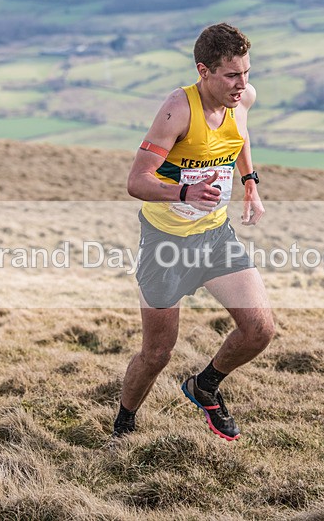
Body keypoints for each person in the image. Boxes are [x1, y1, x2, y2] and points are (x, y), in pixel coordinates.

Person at [114, 23, 275, 441]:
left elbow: (239, 136)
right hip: (166, 245)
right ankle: (124, 422)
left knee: (260, 330)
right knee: (157, 353)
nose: (242, 84)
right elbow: (137, 181)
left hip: (215, 237)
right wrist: (185, 190)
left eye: (247, 73)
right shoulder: (177, 110)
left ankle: (205, 385)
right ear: (204, 71)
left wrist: (251, 183)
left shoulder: (243, 99)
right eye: (231, 75)